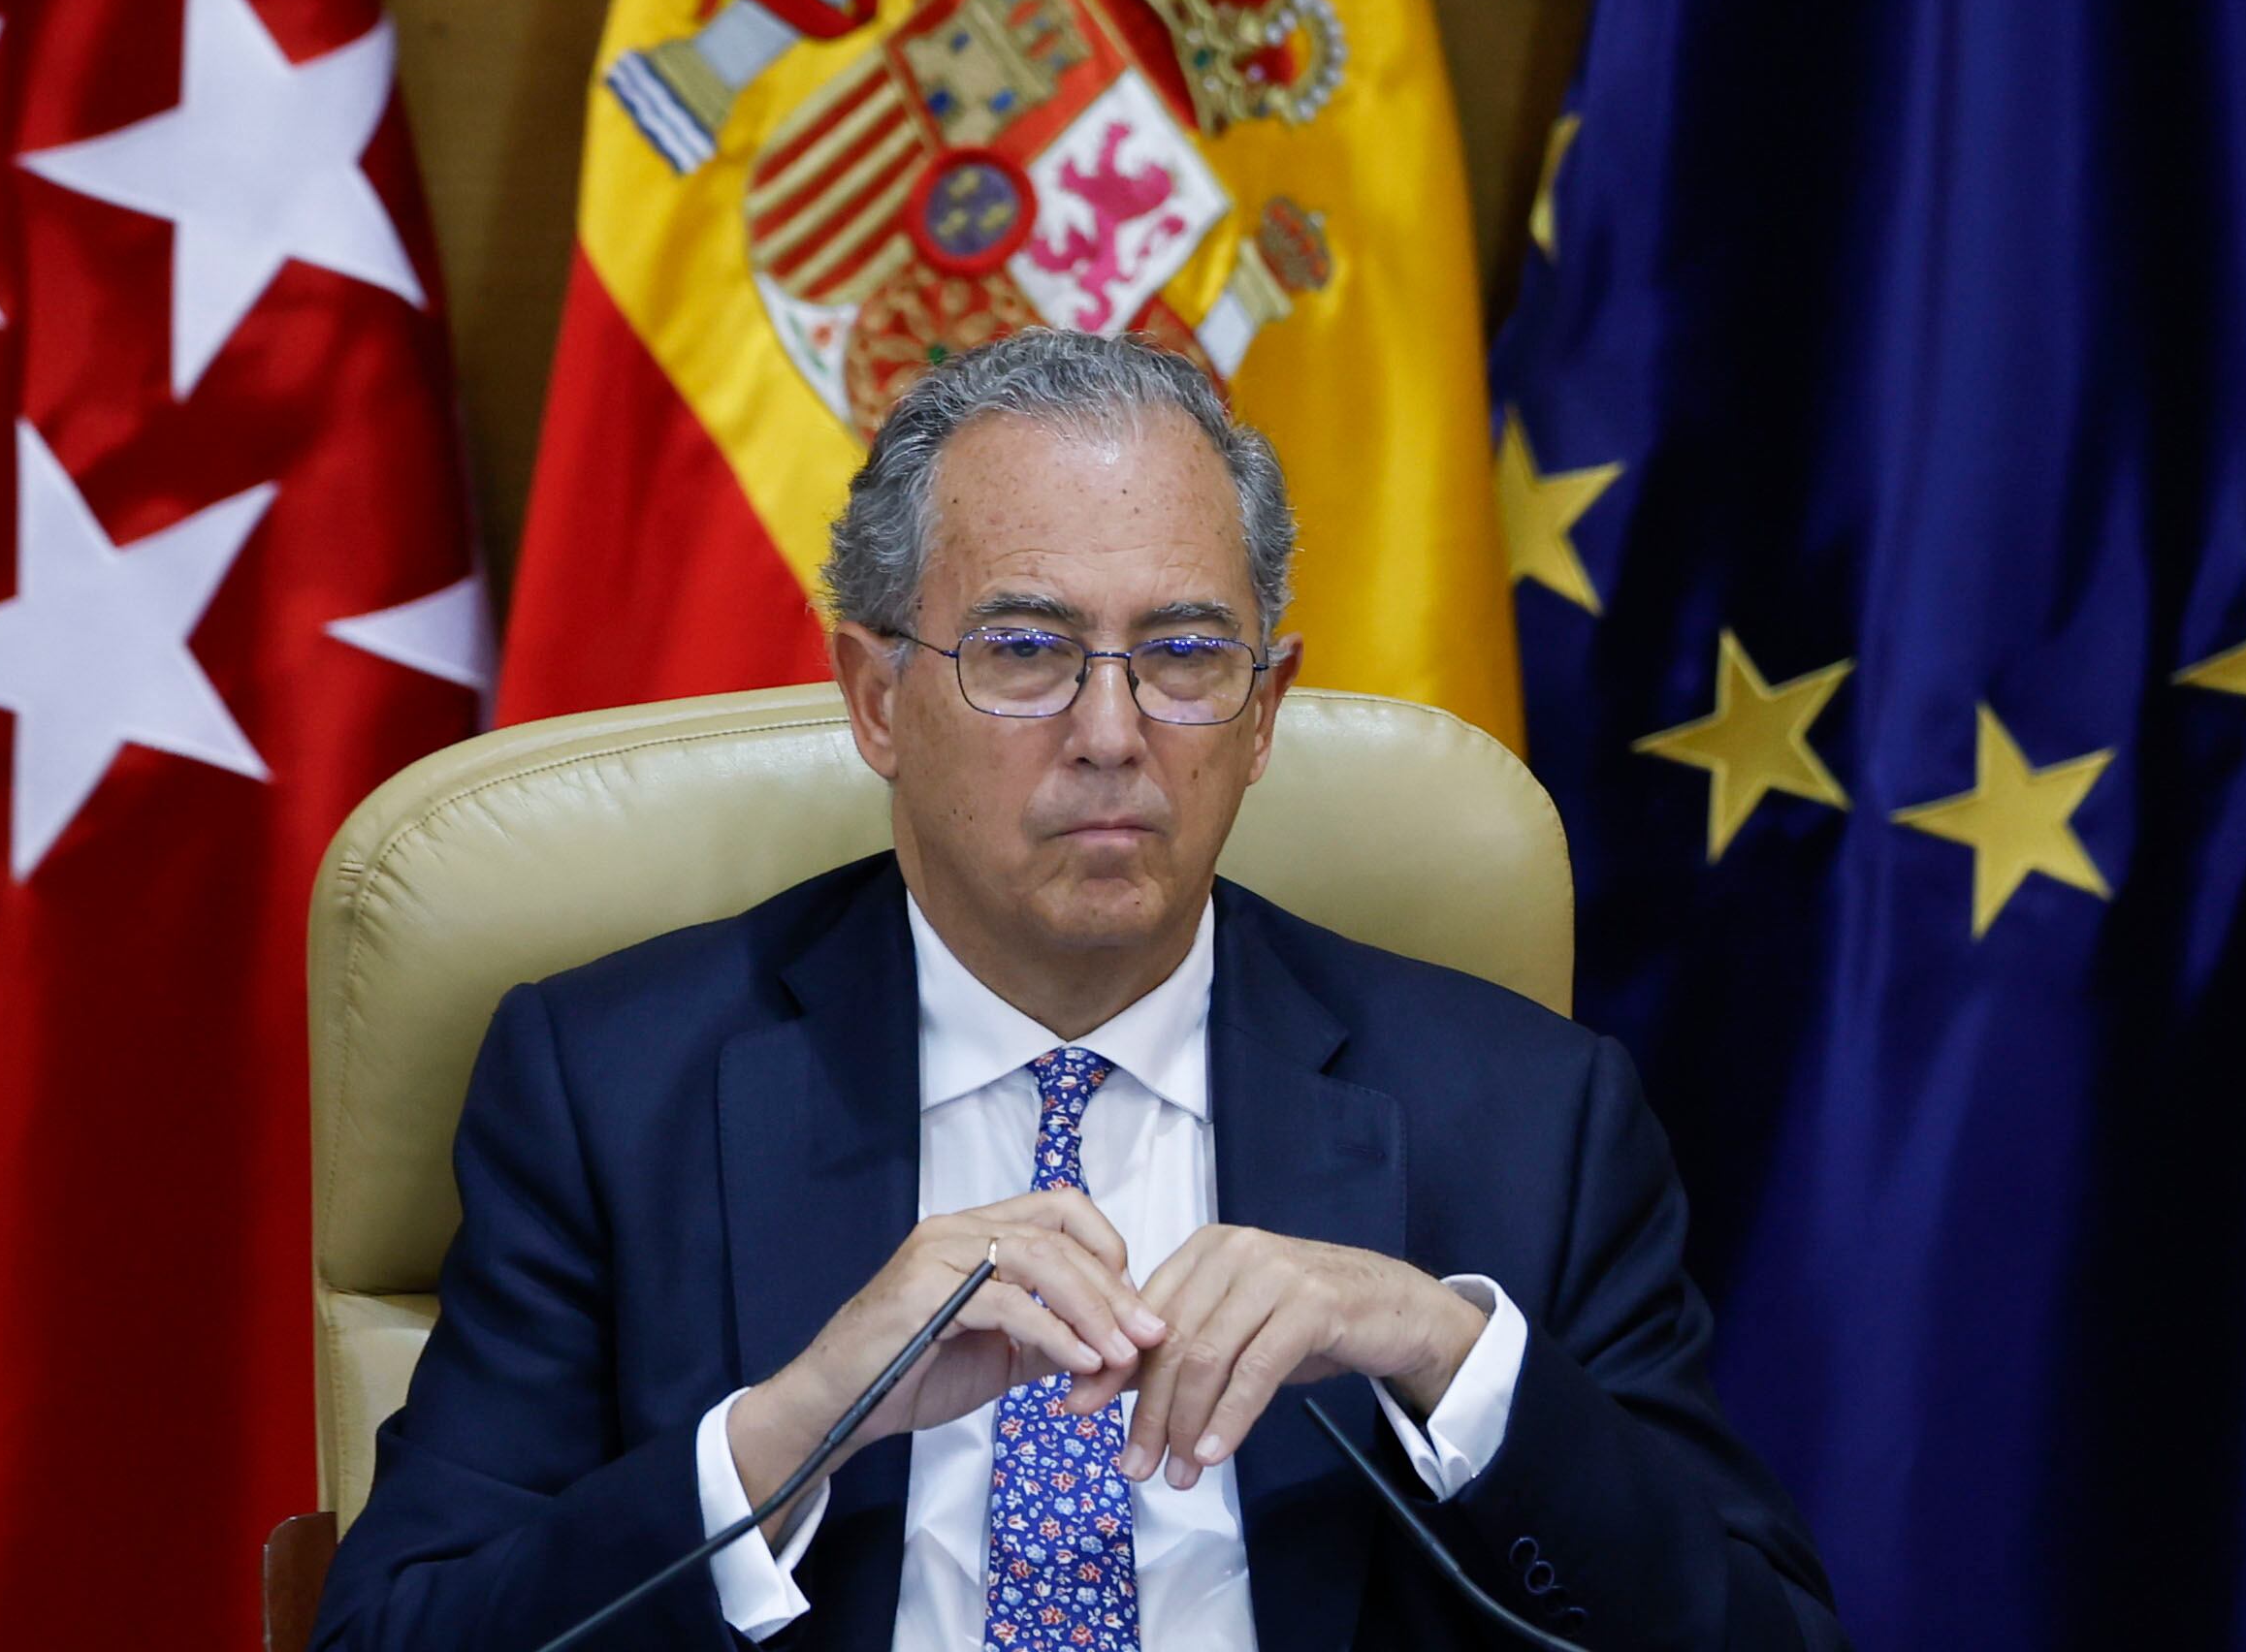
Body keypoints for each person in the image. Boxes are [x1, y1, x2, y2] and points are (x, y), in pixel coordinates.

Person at [311, 330, 1842, 1651]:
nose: (1113, 732)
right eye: (1027, 651)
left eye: (1183, 655)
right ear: (875, 698)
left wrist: (1449, 1357)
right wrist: (794, 1427)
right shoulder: (614, 1090)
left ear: (1262, 714)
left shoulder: (1518, 1116)